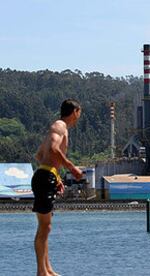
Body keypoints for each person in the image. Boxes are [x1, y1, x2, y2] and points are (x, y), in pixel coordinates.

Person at [32, 99, 83, 276]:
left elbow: (39, 155)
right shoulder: (60, 126)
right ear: (75, 111)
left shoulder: (59, 128)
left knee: (46, 227)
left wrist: (55, 174)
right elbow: (53, 149)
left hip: (47, 175)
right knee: (44, 227)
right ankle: (41, 272)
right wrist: (71, 167)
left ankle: (47, 269)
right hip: (45, 178)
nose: (79, 117)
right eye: (79, 113)